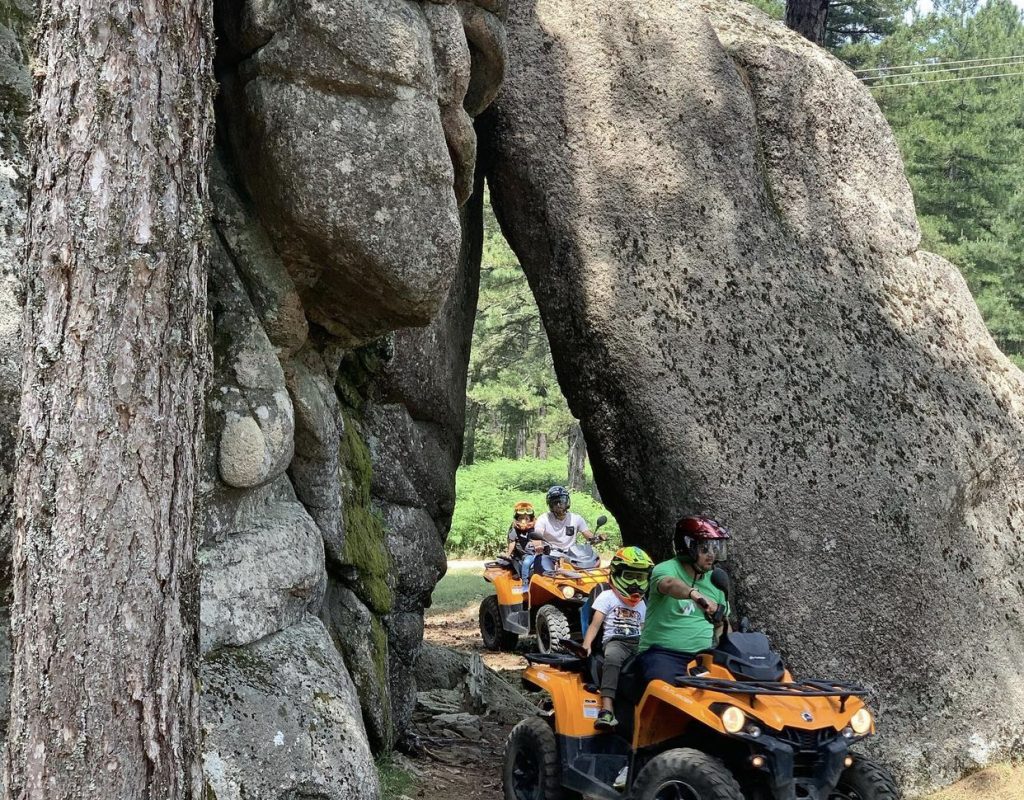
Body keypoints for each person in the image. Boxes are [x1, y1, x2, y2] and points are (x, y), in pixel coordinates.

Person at [637, 516, 731, 687]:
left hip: (703, 657)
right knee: (667, 693)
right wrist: (695, 595)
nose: (711, 555)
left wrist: (727, 650)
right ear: (688, 548)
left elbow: (721, 625)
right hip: (662, 654)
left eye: (715, 549)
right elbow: (669, 585)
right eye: (704, 549)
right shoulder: (666, 569)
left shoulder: (716, 579)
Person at [581, 546, 655, 730]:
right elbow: (595, 624)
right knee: (612, 658)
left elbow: (645, 629)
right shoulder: (607, 597)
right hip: (615, 642)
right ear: (617, 574)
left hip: (637, 642)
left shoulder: (643, 604)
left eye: (640, 578)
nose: (635, 583)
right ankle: (607, 709)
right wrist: (586, 644)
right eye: (629, 576)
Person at [505, 501, 541, 581]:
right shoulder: (514, 530)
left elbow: (539, 541)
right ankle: (517, 574)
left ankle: (525, 581)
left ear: (530, 519)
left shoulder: (534, 529)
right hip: (519, 555)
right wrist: (508, 554)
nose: (523, 521)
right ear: (517, 519)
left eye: (526, 518)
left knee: (526, 562)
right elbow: (512, 542)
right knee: (507, 562)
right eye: (521, 518)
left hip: (532, 554)